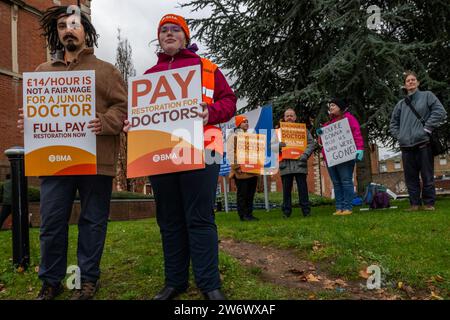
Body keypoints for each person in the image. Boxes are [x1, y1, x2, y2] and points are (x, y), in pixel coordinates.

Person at [17, 6, 127, 300]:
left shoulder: (108, 71)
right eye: (62, 25)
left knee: (92, 221)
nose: (68, 29)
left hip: (96, 161)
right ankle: (52, 281)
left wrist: (103, 122)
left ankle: (87, 279)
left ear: (85, 31)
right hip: (54, 162)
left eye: (74, 24)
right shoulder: (41, 72)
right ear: (57, 33)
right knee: (51, 222)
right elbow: (36, 113)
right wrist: (28, 121)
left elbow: (123, 109)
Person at [124, 14, 236, 300]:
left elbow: (229, 102)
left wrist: (210, 112)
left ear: (186, 37)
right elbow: (142, 117)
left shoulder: (207, 68)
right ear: (159, 39)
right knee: (170, 219)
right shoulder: (149, 77)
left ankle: (209, 284)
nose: (170, 33)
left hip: (204, 149)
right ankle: (175, 281)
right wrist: (132, 124)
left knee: (200, 218)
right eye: (164, 30)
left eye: (176, 30)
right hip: (160, 153)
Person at [389, 71, 447, 211]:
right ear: (405, 85)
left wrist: (427, 128)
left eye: (413, 79)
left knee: (427, 176)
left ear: (418, 82)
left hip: (423, 143)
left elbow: (440, 111)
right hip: (406, 146)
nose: (410, 82)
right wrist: (400, 135)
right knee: (410, 178)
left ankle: (429, 203)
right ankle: (414, 204)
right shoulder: (401, 104)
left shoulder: (427, 96)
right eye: (408, 80)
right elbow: (393, 124)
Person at [317, 99, 364, 216]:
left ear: (340, 107)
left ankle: (347, 207)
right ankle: (339, 207)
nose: (331, 107)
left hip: (346, 156)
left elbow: (356, 133)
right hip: (331, 158)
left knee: (346, 181)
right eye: (330, 106)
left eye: (333, 105)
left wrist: (360, 148)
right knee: (336, 183)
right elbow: (322, 143)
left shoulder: (349, 119)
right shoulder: (327, 124)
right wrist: (320, 135)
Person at [278, 109, 316, 218]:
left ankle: (306, 211)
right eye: (287, 116)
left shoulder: (303, 130)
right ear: (284, 118)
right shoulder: (279, 132)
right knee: (286, 191)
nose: (289, 117)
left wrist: (305, 155)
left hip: (300, 164)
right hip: (285, 165)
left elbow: (311, 143)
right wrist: (278, 146)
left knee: (303, 190)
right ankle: (286, 212)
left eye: (291, 115)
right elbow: (271, 146)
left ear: (295, 117)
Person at [229, 115, 259, 221]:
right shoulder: (233, 136)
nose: (246, 123)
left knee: (250, 194)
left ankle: (249, 214)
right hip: (241, 171)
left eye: (247, 121)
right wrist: (236, 167)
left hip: (252, 170)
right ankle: (243, 215)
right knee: (243, 194)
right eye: (243, 122)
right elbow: (231, 152)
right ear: (238, 124)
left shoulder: (251, 136)